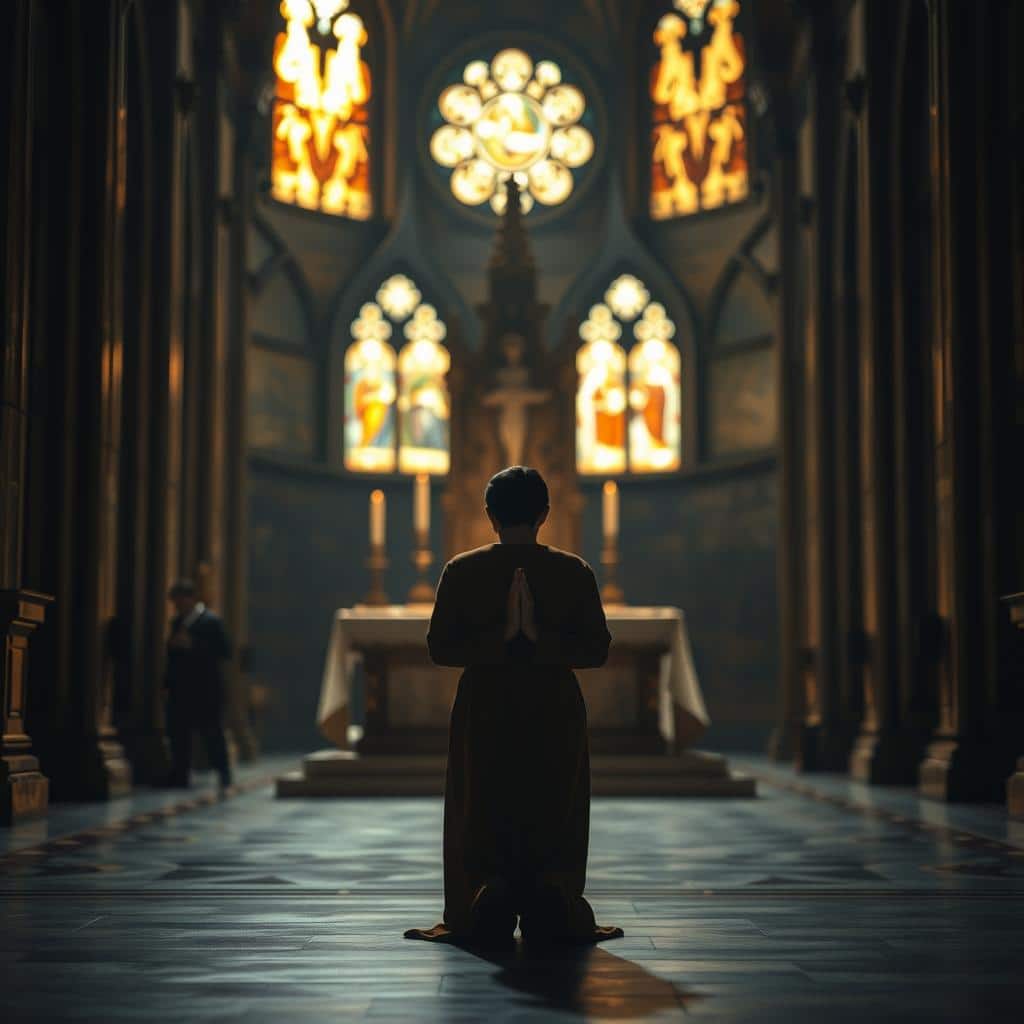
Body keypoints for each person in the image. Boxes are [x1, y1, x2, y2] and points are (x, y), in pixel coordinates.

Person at [405, 466, 623, 946]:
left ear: (489, 515)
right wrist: (537, 638)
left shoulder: (462, 570)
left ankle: (483, 904)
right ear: (545, 513)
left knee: (483, 801)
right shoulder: (572, 570)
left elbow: (441, 649)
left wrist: (502, 639)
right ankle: (554, 905)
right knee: (554, 800)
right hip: (553, 704)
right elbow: (596, 650)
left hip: (487, 703)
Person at [163, 579, 233, 793]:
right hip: (181, 690)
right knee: (179, 734)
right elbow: (172, 657)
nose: (178, 606)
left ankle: (223, 773)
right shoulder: (177, 622)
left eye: (180, 601)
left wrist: (193, 646)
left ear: (191, 599)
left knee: (212, 732)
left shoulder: (211, 622)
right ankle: (180, 774)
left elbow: (224, 652)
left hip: (206, 689)